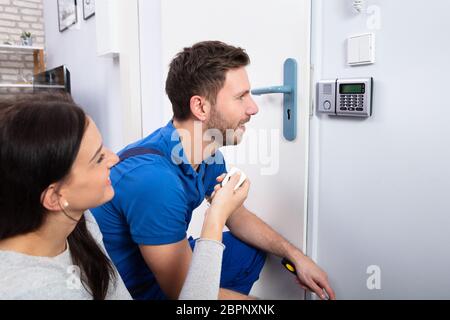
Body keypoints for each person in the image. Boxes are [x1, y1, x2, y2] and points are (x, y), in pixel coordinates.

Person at [92, 41, 336, 300]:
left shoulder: (207, 156)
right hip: (135, 290)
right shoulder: (155, 180)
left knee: (247, 249)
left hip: (161, 266)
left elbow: (237, 216)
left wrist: (295, 256)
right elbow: (186, 295)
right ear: (200, 107)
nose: (253, 107)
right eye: (241, 96)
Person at [0, 93, 249, 300]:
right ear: (54, 197)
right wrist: (215, 218)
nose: (115, 158)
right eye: (98, 158)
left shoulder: (79, 220)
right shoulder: (36, 291)